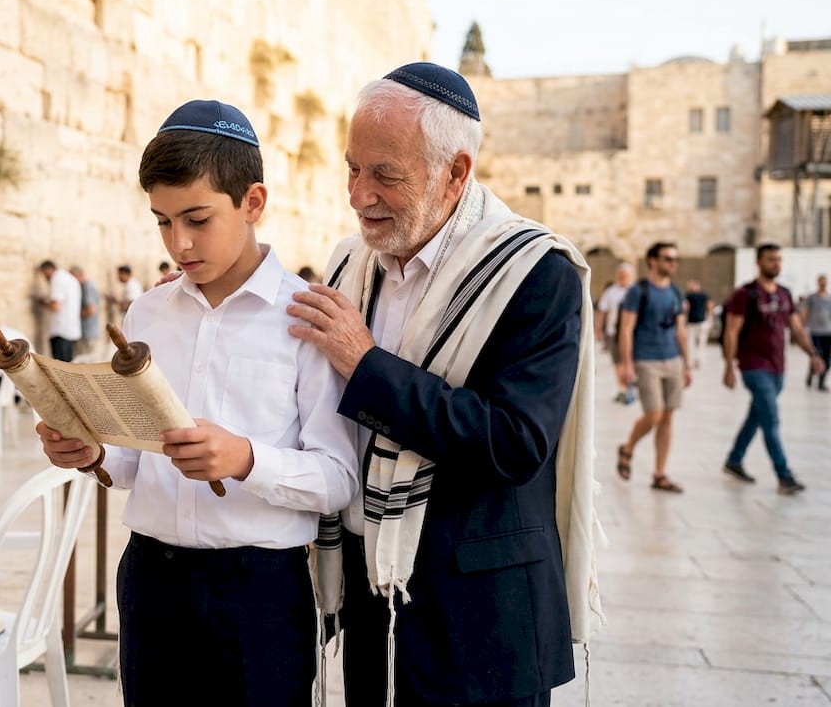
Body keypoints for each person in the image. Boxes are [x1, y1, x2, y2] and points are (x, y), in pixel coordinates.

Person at [286, 63, 599, 706]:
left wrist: (367, 365)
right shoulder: (351, 259)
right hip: (376, 605)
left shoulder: (536, 273)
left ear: (455, 172)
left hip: (481, 622)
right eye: (352, 168)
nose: (358, 195)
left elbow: (514, 442)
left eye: (384, 175)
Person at [36, 99, 359, 707]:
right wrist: (90, 451)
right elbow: (134, 462)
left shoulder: (307, 319)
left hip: (260, 593)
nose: (178, 242)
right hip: (150, 582)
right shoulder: (147, 313)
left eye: (197, 218)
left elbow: (339, 478)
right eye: (162, 221)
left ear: (253, 203)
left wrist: (244, 459)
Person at [722, 245, 826, 494]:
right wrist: (728, 365)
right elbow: (732, 330)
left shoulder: (784, 294)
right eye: (771, 260)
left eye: (779, 260)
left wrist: (812, 354)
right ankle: (784, 474)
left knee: (757, 415)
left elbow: (797, 328)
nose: (776, 264)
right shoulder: (746, 294)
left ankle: (734, 460)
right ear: (758, 263)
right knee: (771, 418)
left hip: (778, 367)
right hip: (753, 365)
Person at [615, 242, 689, 492]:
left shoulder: (677, 292)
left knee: (668, 418)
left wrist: (687, 364)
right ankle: (628, 448)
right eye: (668, 258)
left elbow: (681, 331)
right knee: (654, 414)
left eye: (675, 259)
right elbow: (625, 329)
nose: (673, 264)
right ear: (652, 260)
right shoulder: (639, 291)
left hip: (673, 359)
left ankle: (659, 474)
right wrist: (627, 364)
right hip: (646, 360)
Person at [595, 262, 637, 403]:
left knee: (631, 362)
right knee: (618, 363)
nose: (622, 278)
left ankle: (629, 387)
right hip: (614, 333)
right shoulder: (611, 292)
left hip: (634, 334)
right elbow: (602, 311)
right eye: (620, 275)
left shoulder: (636, 291)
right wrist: (599, 328)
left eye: (625, 276)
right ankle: (623, 389)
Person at [37, 259, 81, 362]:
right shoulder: (70, 278)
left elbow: (55, 306)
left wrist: (43, 302)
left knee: (60, 369)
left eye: (44, 274)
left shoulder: (57, 279)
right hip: (71, 329)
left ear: (48, 269)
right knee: (68, 366)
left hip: (61, 331)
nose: (45, 277)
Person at [801, 274, 830, 391]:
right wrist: (803, 326)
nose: (823, 283)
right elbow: (805, 312)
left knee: (827, 358)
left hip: (828, 332)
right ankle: (811, 374)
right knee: (816, 355)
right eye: (821, 281)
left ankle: (821, 381)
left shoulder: (830, 298)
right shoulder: (812, 298)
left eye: (825, 281)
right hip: (815, 332)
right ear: (818, 282)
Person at [70, 265, 101, 359]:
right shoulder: (87, 286)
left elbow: (91, 310)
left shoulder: (87, 287)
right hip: (88, 332)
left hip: (88, 332)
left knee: (85, 363)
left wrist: (73, 316)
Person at [684, 279, 713, 368]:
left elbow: (685, 307)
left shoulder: (690, 295)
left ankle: (697, 360)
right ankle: (694, 360)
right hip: (694, 322)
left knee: (697, 343)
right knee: (693, 343)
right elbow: (710, 306)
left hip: (699, 322)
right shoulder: (691, 295)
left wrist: (709, 318)